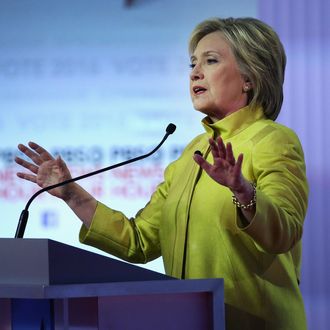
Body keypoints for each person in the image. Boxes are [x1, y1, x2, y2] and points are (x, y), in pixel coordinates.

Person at [15, 17, 308, 330]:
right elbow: (139, 241)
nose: (195, 72)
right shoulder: (191, 156)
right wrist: (73, 195)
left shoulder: (273, 139)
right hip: (193, 321)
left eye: (211, 61)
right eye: (193, 63)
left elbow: (285, 232)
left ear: (250, 76)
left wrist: (242, 190)